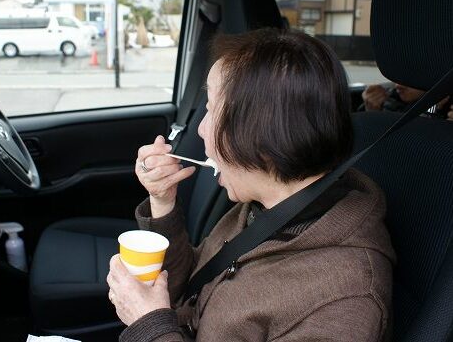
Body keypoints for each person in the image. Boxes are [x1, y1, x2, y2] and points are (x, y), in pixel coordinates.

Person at [107, 29, 396, 341]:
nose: (201, 129)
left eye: (212, 109)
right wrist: (163, 202)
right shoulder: (262, 209)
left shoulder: (346, 301)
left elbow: (163, 315)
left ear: (263, 134)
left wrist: (148, 325)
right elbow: (188, 291)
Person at [362, 83, 452, 120]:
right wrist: (372, 113)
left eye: (409, 79)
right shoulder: (389, 97)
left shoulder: (448, 108)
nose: (398, 85)